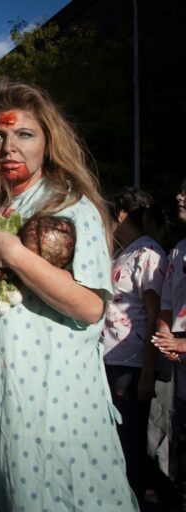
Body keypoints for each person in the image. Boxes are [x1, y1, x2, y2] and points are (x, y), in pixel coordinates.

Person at [0, 78, 137, 511]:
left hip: (47, 412)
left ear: (48, 142)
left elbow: (90, 307)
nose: (9, 146)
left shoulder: (67, 206)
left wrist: (19, 257)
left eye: (24, 134)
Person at [101, 188, 168, 505]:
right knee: (117, 439)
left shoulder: (149, 254)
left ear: (122, 215)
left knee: (130, 442)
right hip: (110, 357)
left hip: (131, 361)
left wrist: (147, 371)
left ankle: (144, 499)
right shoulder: (124, 252)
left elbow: (154, 313)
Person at [152, 177, 186, 507]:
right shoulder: (178, 248)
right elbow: (166, 301)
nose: (179, 195)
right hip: (178, 366)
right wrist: (165, 337)